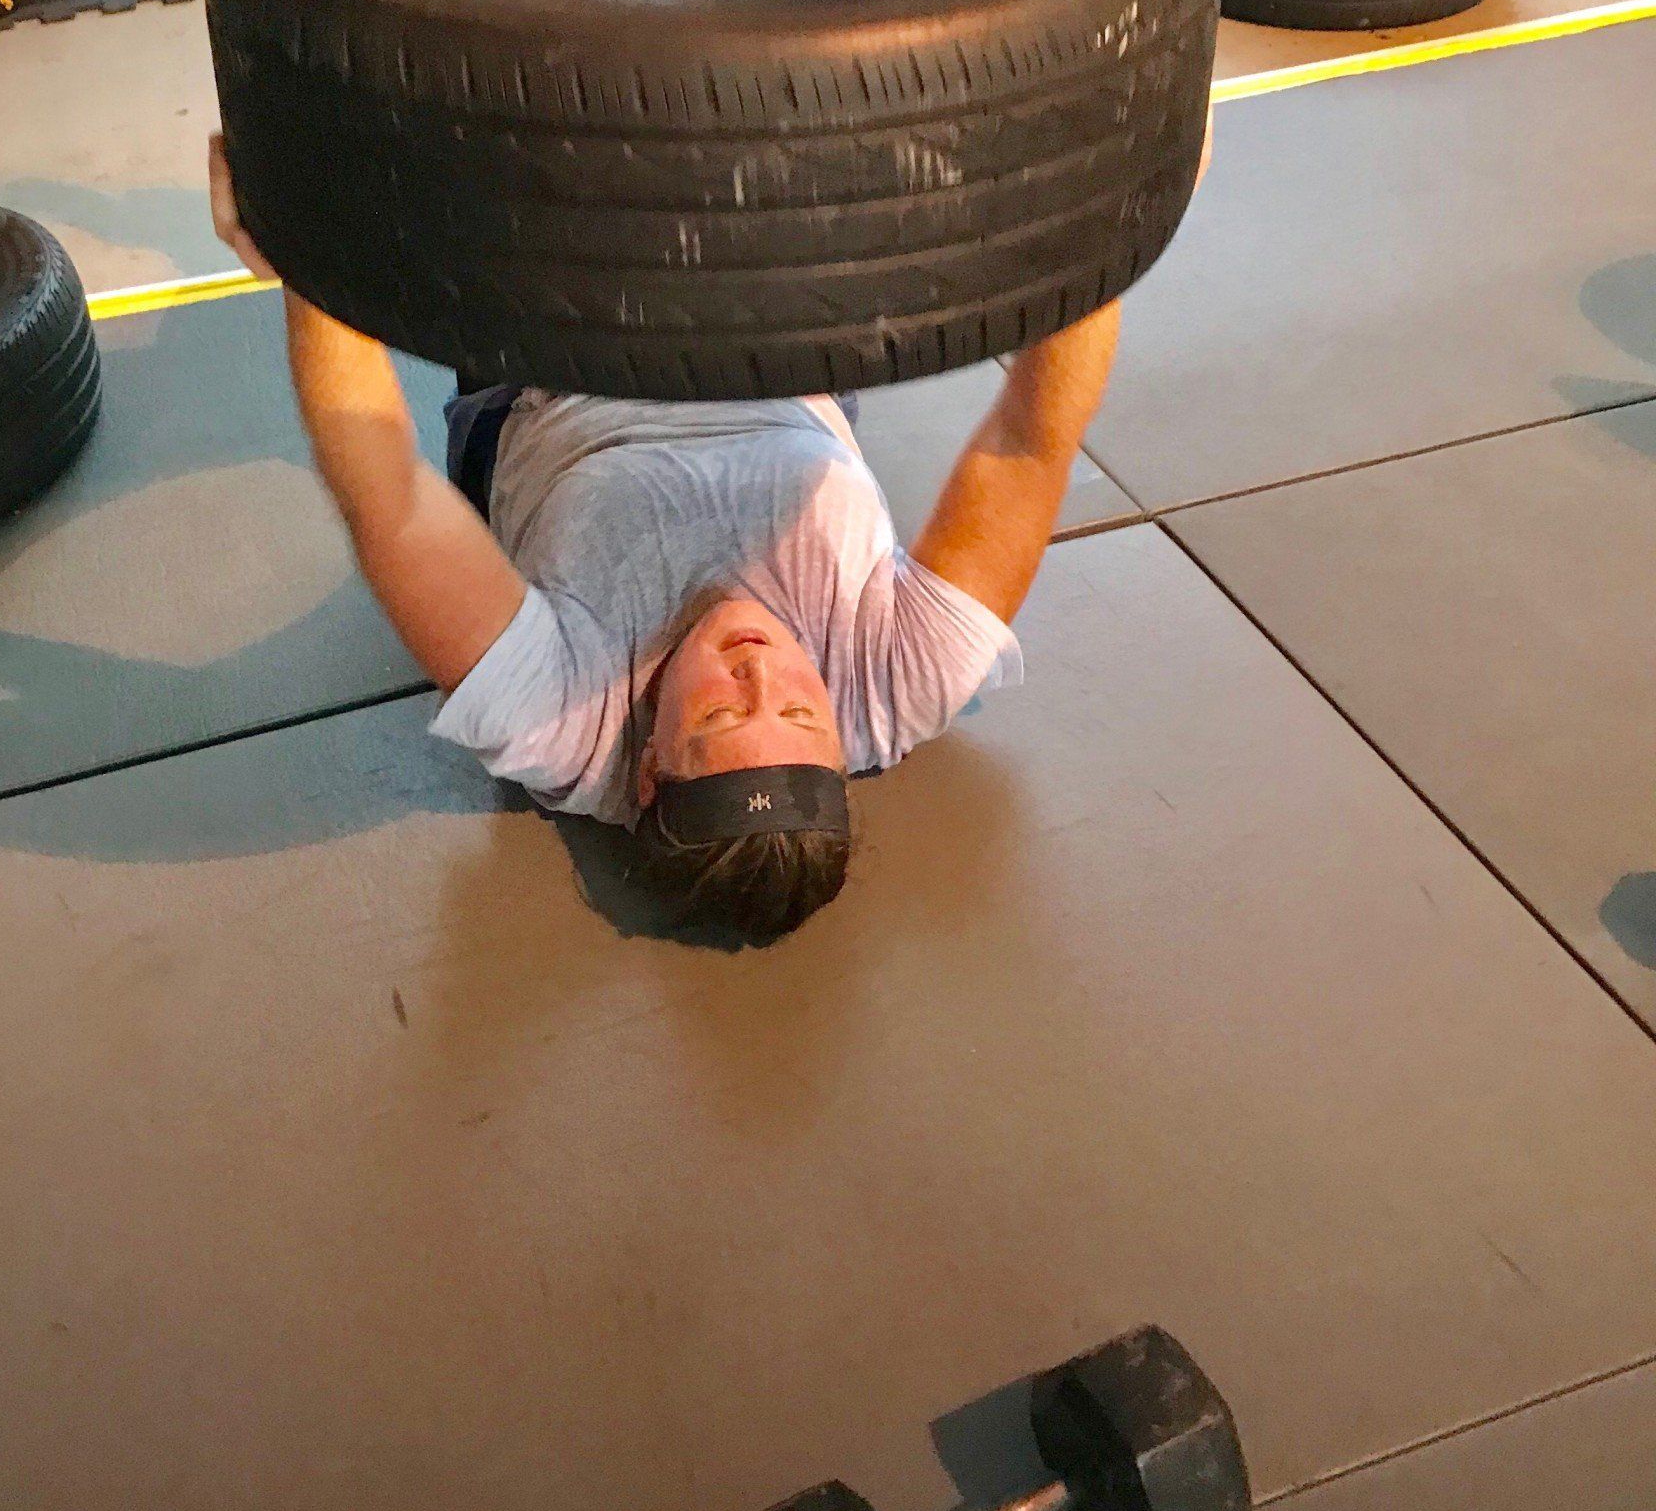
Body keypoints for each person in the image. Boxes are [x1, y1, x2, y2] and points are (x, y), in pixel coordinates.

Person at [211, 124, 1205, 941]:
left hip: (544, 353)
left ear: (647, 768)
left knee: (554, 107)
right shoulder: (904, 682)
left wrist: (308, 257)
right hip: (774, 348)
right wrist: (1114, 221)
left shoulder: (559, 721)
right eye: (802, 715)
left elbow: (389, 499)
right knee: (754, 87)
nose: (758, 670)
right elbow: (1029, 444)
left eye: (722, 718)